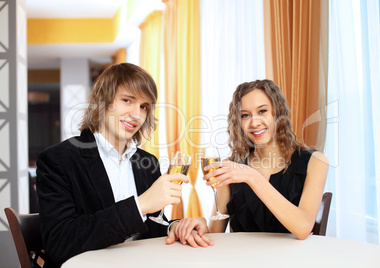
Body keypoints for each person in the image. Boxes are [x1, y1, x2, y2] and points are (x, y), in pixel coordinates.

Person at [36, 63, 188, 267]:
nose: (137, 115)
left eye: (144, 106)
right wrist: (140, 205)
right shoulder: (58, 160)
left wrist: (176, 227)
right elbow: (61, 242)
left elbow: (154, 227)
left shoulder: (148, 162)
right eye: (127, 100)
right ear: (103, 101)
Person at [168, 79, 329, 247]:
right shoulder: (231, 167)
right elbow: (215, 234)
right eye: (245, 115)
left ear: (278, 112)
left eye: (262, 111)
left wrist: (252, 177)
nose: (254, 122)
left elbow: (303, 228)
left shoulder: (315, 162)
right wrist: (201, 226)